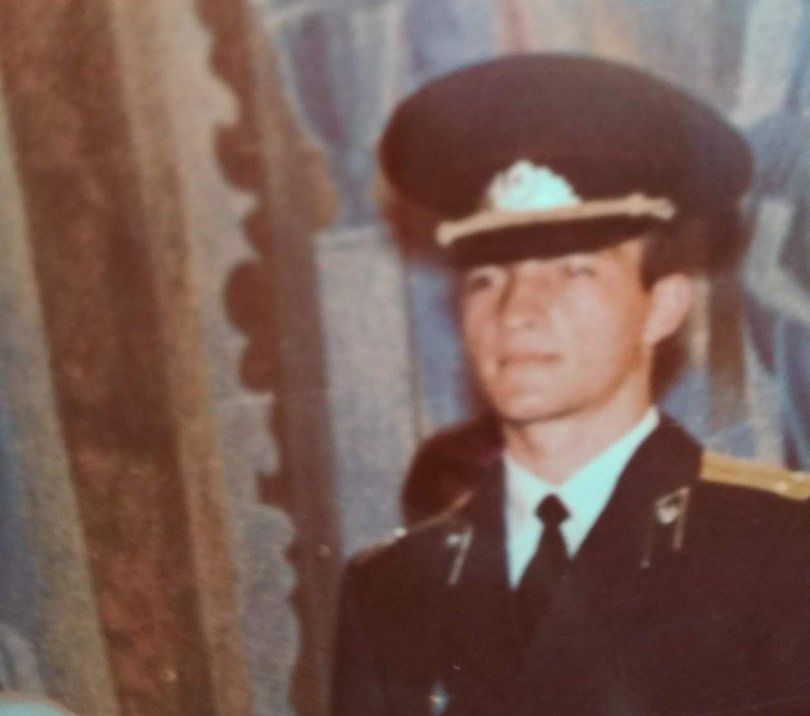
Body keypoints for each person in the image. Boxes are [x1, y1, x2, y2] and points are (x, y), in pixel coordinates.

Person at [331, 54, 810, 716]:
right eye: (487, 278)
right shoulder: (392, 588)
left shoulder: (777, 551)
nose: (517, 310)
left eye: (572, 270)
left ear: (663, 306)